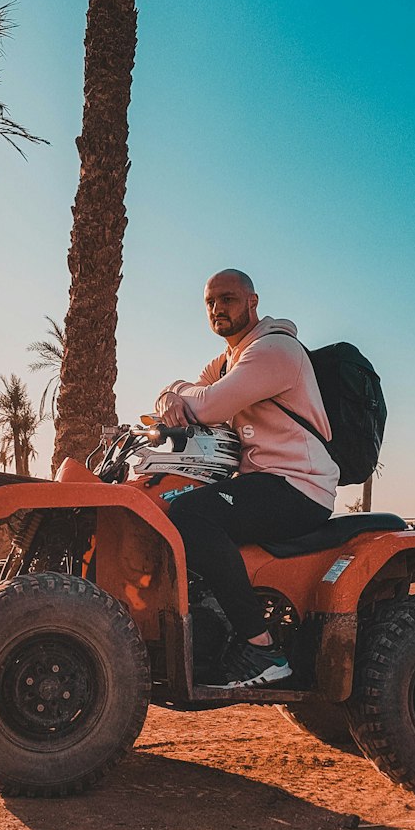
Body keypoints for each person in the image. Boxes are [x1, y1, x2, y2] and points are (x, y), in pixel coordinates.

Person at [155, 269, 338, 688]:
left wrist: (177, 394)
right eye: (210, 302)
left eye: (228, 299)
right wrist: (169, 395)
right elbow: (185, 391)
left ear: (252, 302)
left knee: (191, 515)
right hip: (262, 482)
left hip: (297, 486)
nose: (218, 308)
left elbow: (210, 405)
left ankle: (262, 649)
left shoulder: (273, 351)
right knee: (177, 502)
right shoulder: (226, 360)